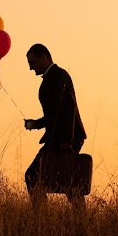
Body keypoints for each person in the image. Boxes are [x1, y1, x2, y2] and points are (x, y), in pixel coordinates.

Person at [24, 44, 88, 210]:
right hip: (60, 138)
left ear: (44, 57)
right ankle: (78, 218)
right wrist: (36, 124)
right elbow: (55, 114)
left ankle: (41, 216)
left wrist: (66, 140)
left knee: (34, 176)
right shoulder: (55, 76)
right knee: (68, 182)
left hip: (65, 139)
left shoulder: (58, 76)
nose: (31, 68)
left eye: (32, 62)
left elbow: (68, 110)